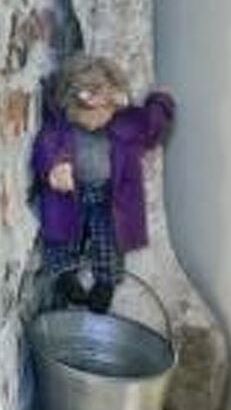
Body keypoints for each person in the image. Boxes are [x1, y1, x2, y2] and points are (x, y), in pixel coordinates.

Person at [32, 55, 174, 312]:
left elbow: (152, 125)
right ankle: (65, 277)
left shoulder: (122, 123)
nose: (99, 118)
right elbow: (45, 145)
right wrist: (55, 166)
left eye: (106, 110)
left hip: (109, 196)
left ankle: (105, 284)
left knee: (109, 238)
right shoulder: (62, 126)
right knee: (63, 234)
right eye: (92, 112)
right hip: (71, 194)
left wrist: (160, 100)